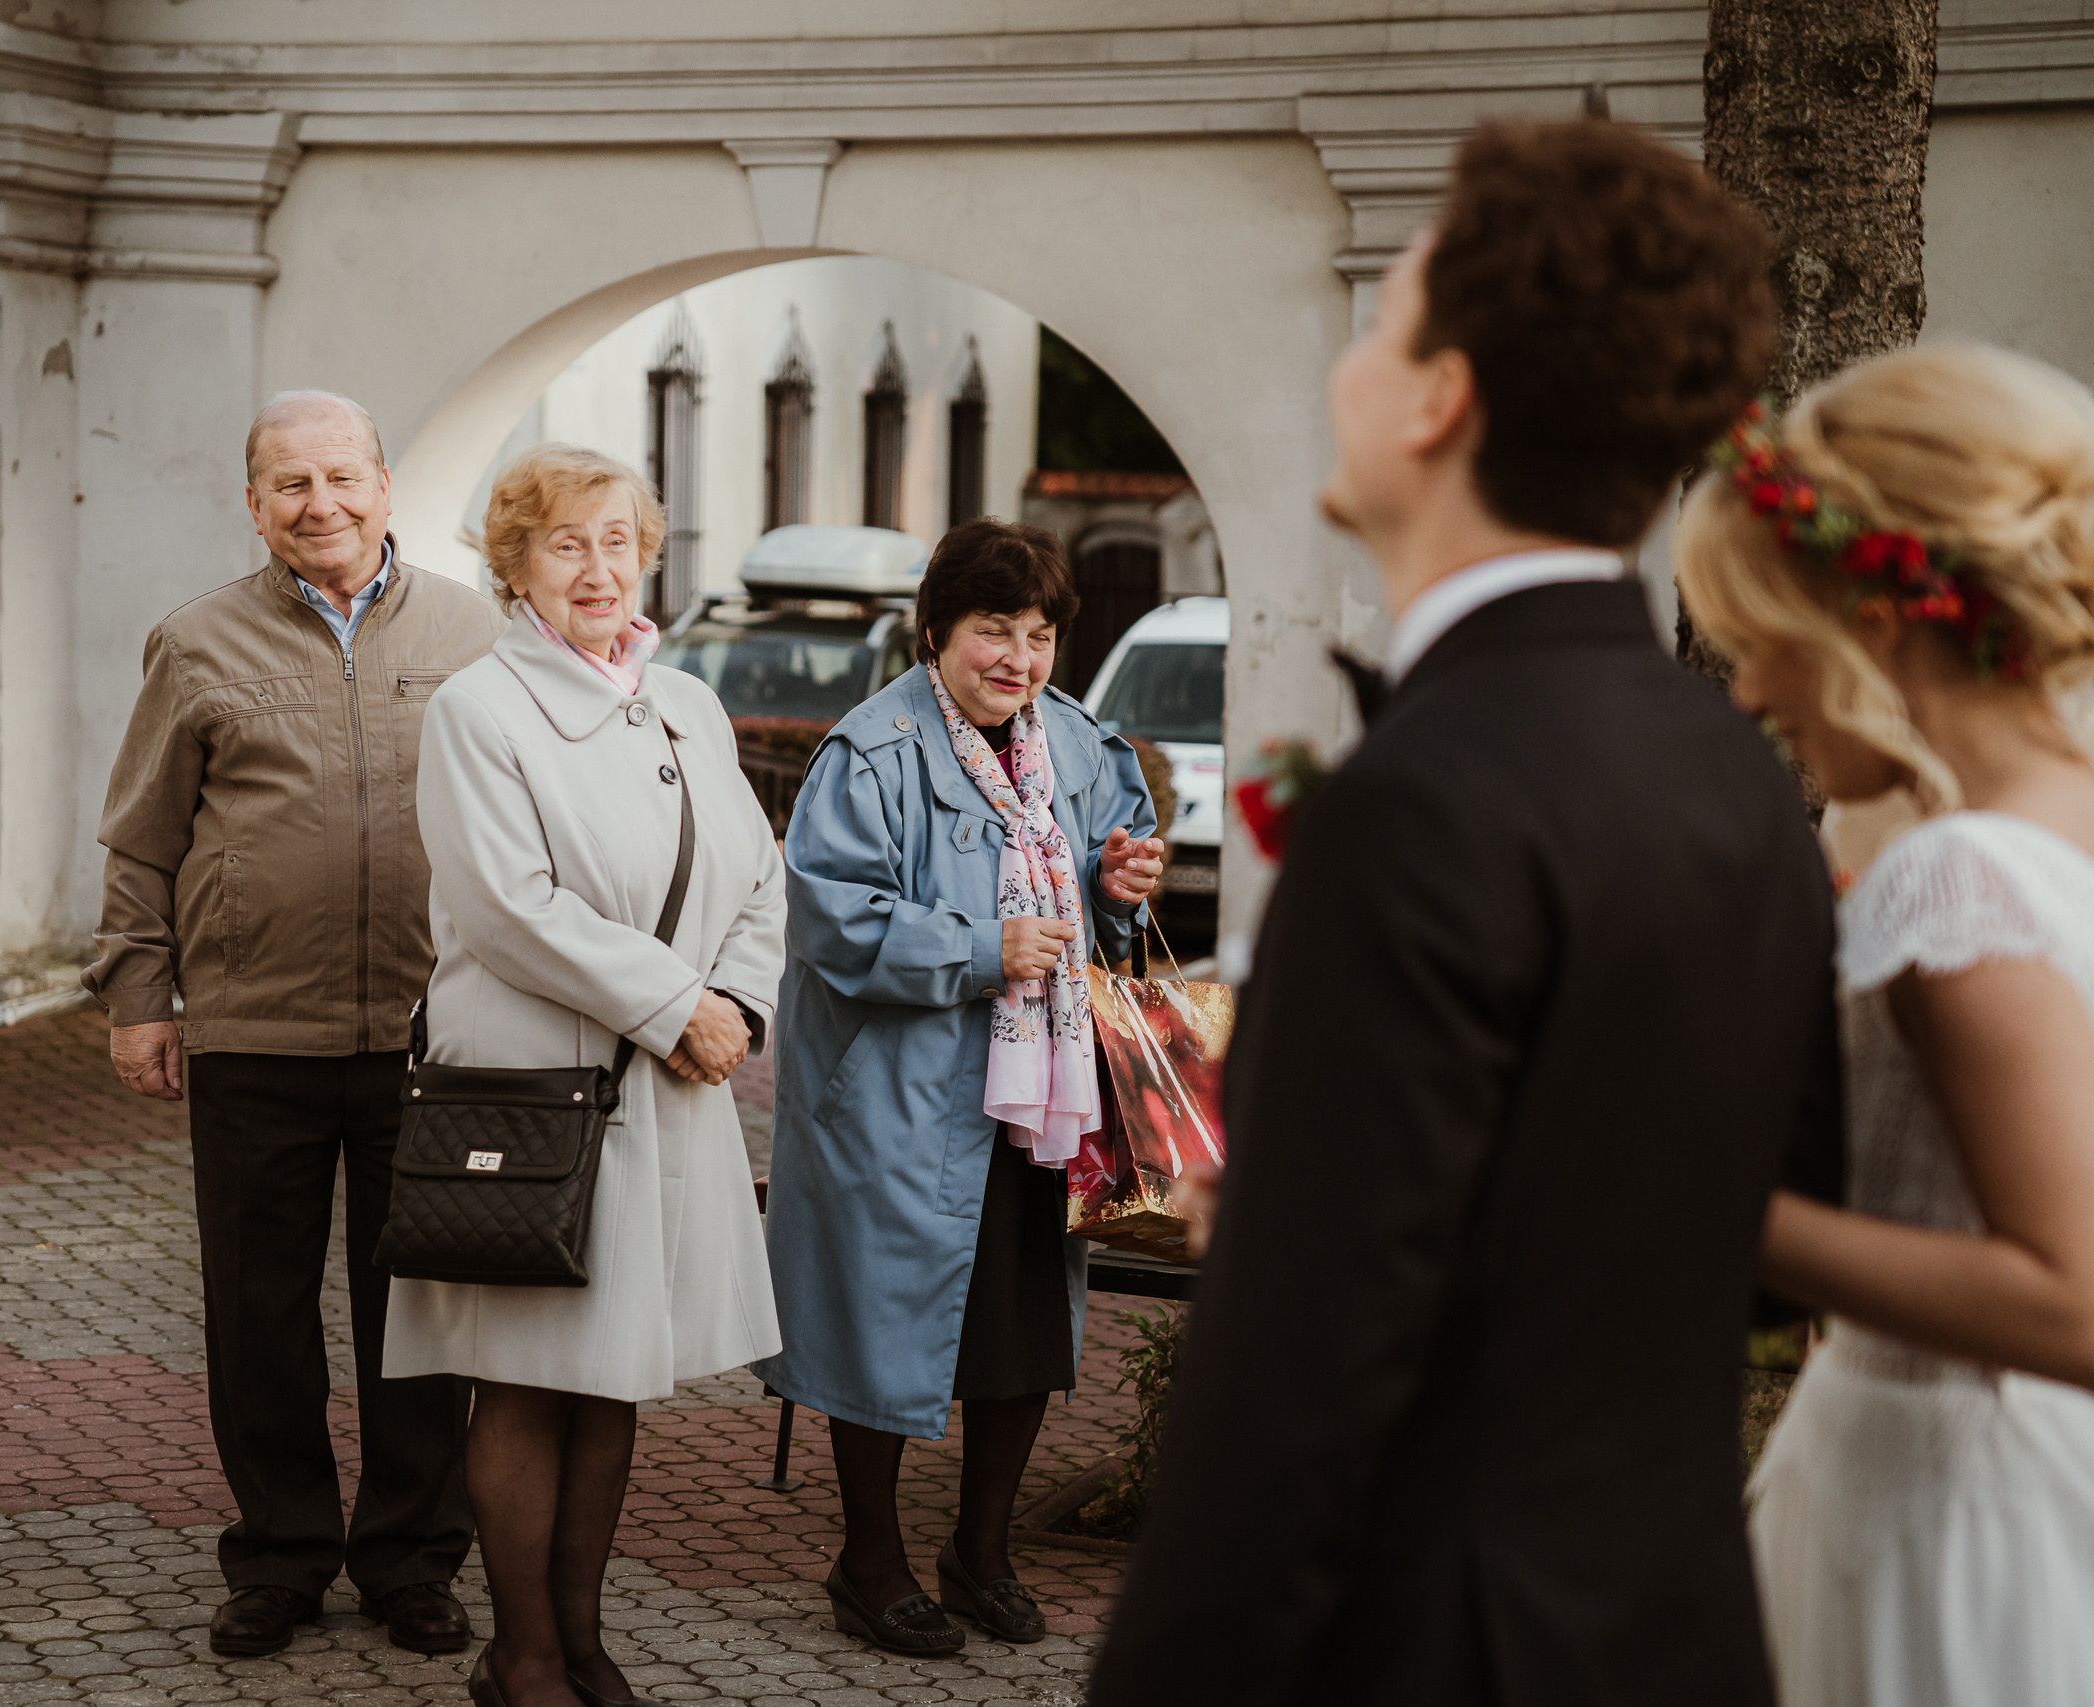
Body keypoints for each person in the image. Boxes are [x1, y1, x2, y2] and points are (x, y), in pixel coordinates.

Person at [1090, 119, 1839, 1707]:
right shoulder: (1736, 770)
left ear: (1442, 399)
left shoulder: (1418, 805)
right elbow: (1765, 1246)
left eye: (1385, 325)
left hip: (1444, 1636)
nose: (1350, 364)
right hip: (1671, 1623)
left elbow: (1289, 1392)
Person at [1680, 343, 2094, 1705]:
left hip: (1944, 1496)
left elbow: (2070, 1295)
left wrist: (1674, 1189)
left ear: (1880, 612)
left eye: (1763, 640)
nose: (1750, 694)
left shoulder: (1963, 874)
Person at [82, 390, 503, 1659]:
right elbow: (140, 839)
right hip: (254, 1035)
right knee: (257, 1315)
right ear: (253, 502)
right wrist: (137, 1000)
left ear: (384, 483)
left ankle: (410, 1561)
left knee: (418, 1317)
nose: (318, 504)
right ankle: (278, 1557)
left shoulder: (475, 632)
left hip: (431, 1036)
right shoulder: (196, 642)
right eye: (288, 484)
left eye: (340, 477)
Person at [379, 443, 786, 1707]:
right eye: (566, 544)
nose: (598, 567)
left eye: (618, 540)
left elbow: (759, 876)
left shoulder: (688, 704)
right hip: (537, 1098)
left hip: (667, 1090)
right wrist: (677, 1008)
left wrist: (736, 1005)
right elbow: (508, 909)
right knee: (526, 1375)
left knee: (615, 1373)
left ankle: (582, 1634)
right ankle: (527, 1654)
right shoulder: (477, 711)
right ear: (515, 567)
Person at [755, 518, 1165, 1656]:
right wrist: (984, 948)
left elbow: (1098, 887)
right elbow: (835, 919)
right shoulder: (871, 750)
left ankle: (979, 1552)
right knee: (875, 1320)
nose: (1019, 658)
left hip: (1041, 1093)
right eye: (995, 629)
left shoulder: (1076, 743)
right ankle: (869, 1560)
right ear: (936, 628)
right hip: (895, 1100)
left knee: (1021, 1321)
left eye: (1038, 634)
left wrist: (1119, 884)